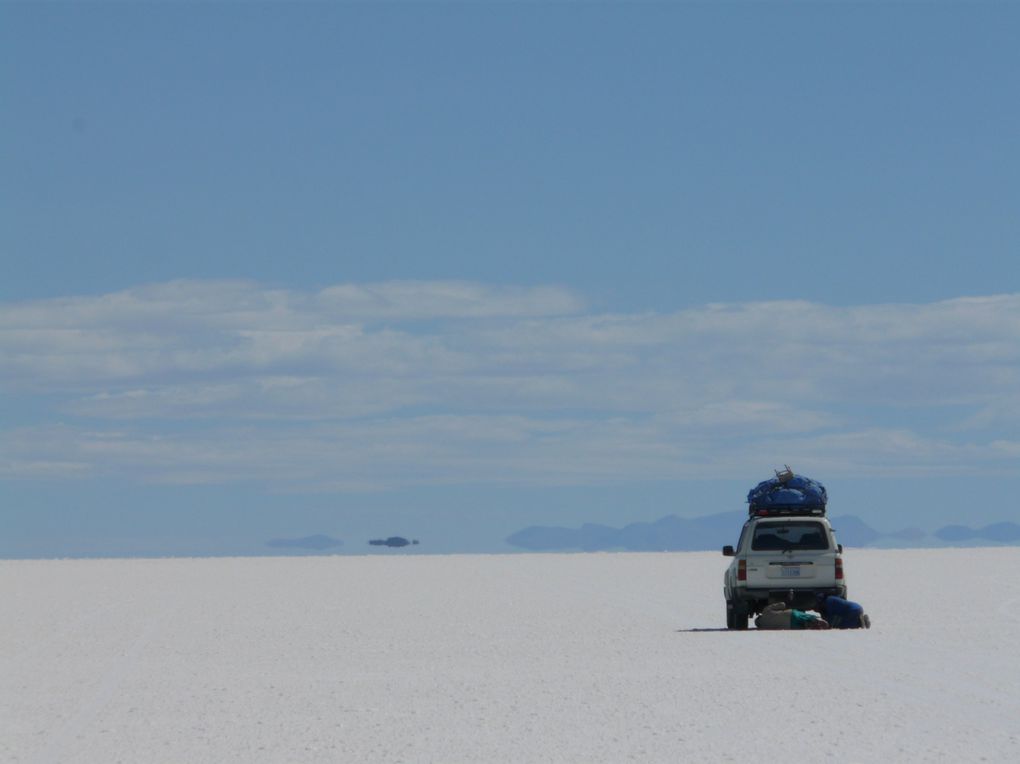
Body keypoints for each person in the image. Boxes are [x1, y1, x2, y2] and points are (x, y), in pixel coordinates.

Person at [754, 601, 830, 630]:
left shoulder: (764, 628)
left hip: (790, 626)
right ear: (759, 617)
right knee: (804, 616)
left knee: (802, 625)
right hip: (790, 615)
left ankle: (809, 626)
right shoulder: (765, 611)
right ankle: (816, 619)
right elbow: (782, 604)